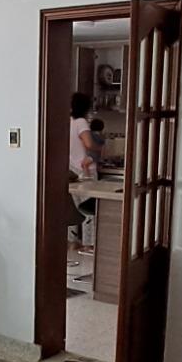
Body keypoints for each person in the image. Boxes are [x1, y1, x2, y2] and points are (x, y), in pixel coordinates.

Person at [67, 93, 102, 248]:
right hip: (86, 171)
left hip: (72, 170)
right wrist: (99, 148)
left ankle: (72, 242)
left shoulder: (68, 122)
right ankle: (89, 243)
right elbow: (88, 144)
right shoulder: (81, 122)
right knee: (89, 209)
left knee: (74, 209)